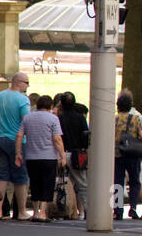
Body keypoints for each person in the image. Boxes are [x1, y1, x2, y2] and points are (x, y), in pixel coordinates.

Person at [16, 94, 64, 222]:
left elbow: (19, 135)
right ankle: (43, 213)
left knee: (35, 183)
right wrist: (62, 155)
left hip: (31, 157)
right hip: (49, 157)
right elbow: (57, 139)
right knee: (47, 184)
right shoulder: (53, 119)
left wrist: (18, 153)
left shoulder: (28, 118)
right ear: (50, 106)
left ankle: (35, 211)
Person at [0, 72, 32, 220]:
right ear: (18, 82)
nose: (27, 86)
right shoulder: (23, 100)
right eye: (27, 83)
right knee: (20, 177)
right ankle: (21, 211)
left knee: (1, 176)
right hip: (18, 142)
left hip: (1, 139)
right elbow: (26, 121)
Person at [113, 90, 142, 221]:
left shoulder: (114, 119)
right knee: (135, 181)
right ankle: (133, 207)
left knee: (117, 182)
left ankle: (117, 210)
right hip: (133, 154)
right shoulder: (137, 118)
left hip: (117, 155)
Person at [57, 92, 89, 220]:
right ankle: (86, 210)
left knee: (65, 182)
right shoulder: (80, 118)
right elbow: (85, 136)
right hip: (78, 154)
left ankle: (68, 209)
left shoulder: (59, 118)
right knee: (82, 183)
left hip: (63, 152)